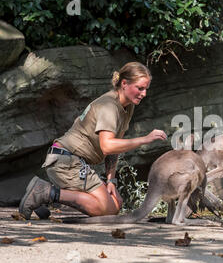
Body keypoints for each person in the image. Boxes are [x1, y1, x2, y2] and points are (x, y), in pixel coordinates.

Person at [19, 62, 167, 219]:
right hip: (66, 161)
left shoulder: (127, 106)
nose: (144, 94)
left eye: (146, 89)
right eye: (140, 88)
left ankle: (46, 195)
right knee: (107, 209)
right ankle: (46, 193)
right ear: (124, 83)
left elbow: (114, 147)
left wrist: (112, 181)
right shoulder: (109, 106)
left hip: (73, 162)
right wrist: (144, 139)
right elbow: (107, 146)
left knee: (116, 203)